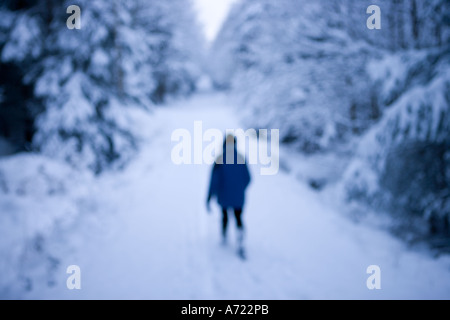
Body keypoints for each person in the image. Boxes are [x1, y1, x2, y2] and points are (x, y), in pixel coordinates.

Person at [207, 134, 251, 258]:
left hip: (224, 196)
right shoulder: (241, 157)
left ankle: (224, 236)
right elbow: (248, 178)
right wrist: (240, 189)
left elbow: (214, 181)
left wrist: (210, 196)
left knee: (225, 215)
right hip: (238, 197)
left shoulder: (219, 159)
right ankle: (240, 238)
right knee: (238, 217)